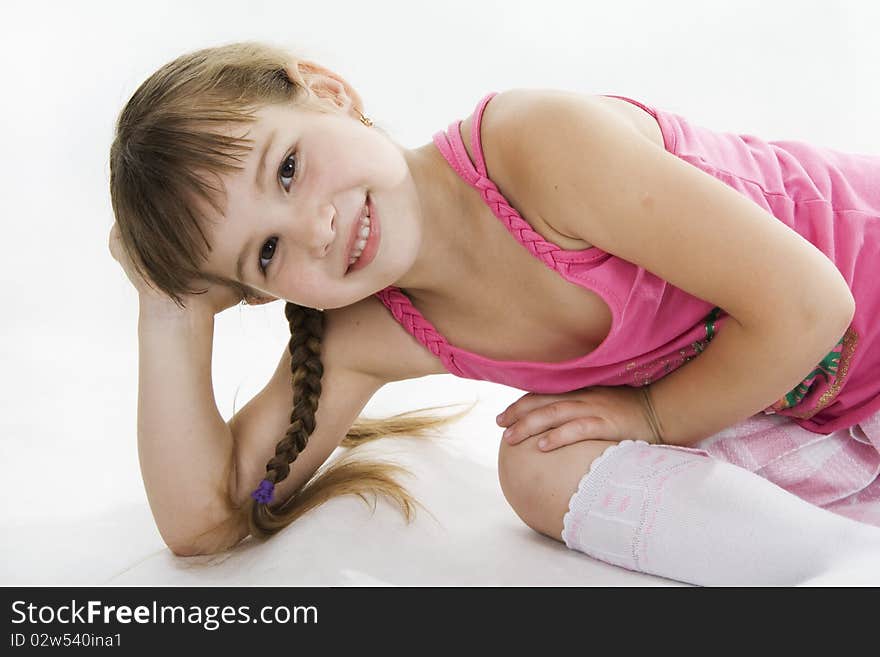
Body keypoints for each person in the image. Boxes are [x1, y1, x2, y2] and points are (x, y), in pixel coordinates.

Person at [108, 40, 880, 585]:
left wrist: (647, 415)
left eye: (287, 168)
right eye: (267, 255)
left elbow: (813, 306)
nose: (316, 228)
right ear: (264, 296)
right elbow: (207, 521)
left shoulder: (533, 148)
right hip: (825, 406)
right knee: (539, 465)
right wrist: (168, 305)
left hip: (845, 318)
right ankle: (837, 566)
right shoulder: (370, 332)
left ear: (329, 92)